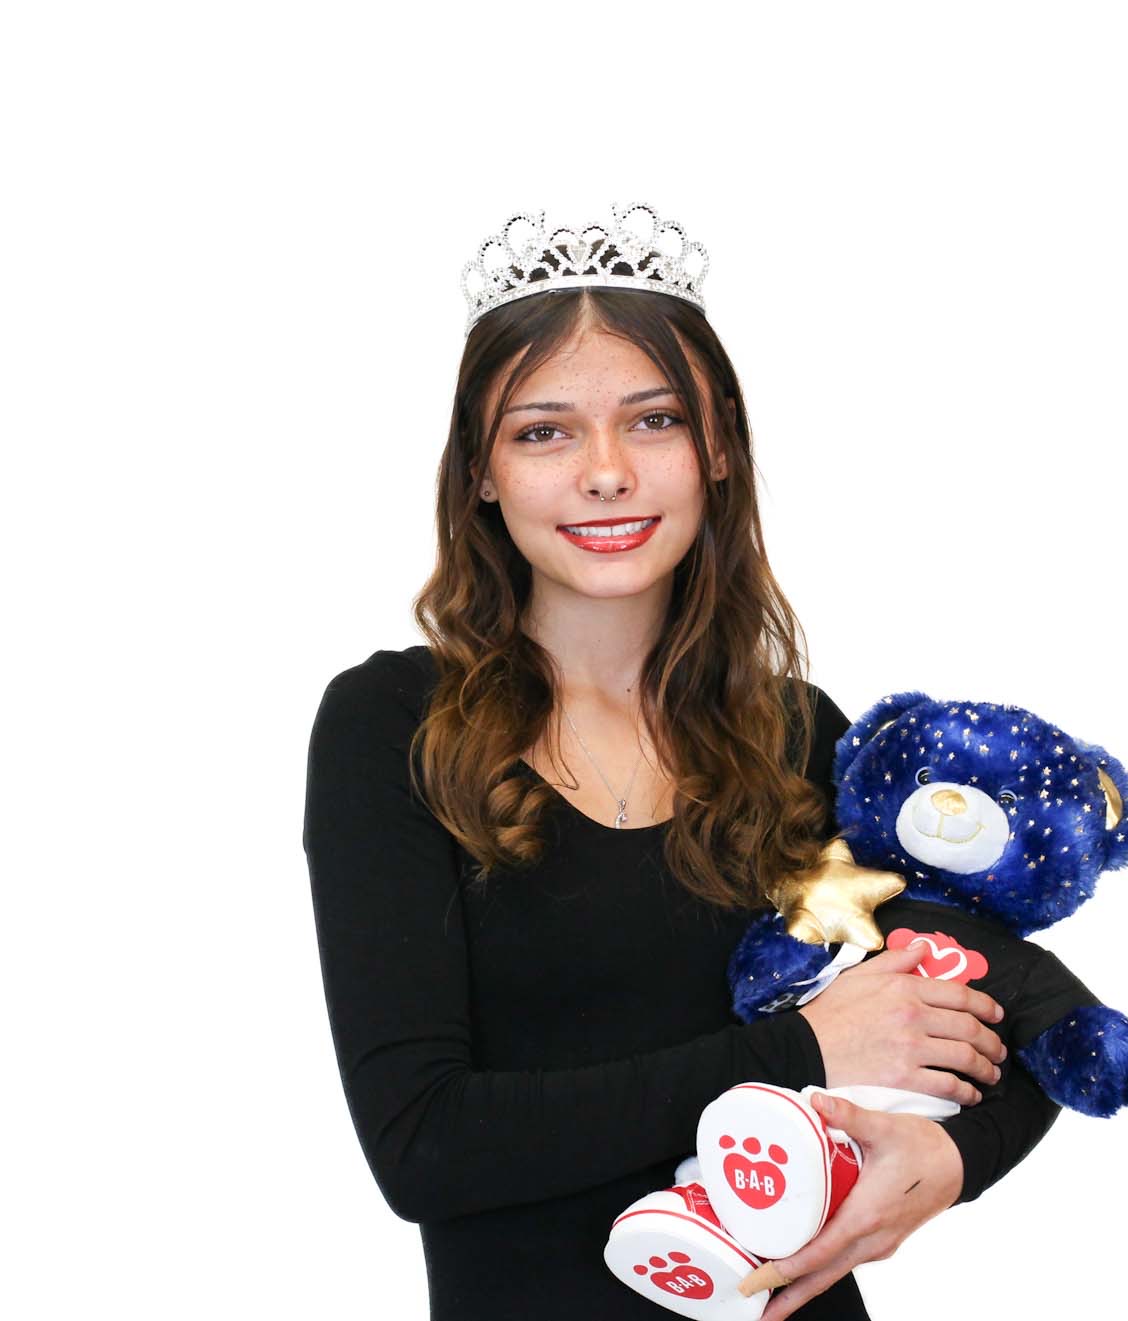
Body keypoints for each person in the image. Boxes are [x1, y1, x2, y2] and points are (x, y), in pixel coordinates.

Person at [302, 203, 1060, 1320]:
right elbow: (424, 1145)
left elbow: (1031, 1014)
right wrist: (804, 1047)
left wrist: (953, 1159)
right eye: (543, 432)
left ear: (716, 450)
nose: (606, 472)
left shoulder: (796, 734)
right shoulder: (393, 726)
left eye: (653, 420)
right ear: (480, 471)